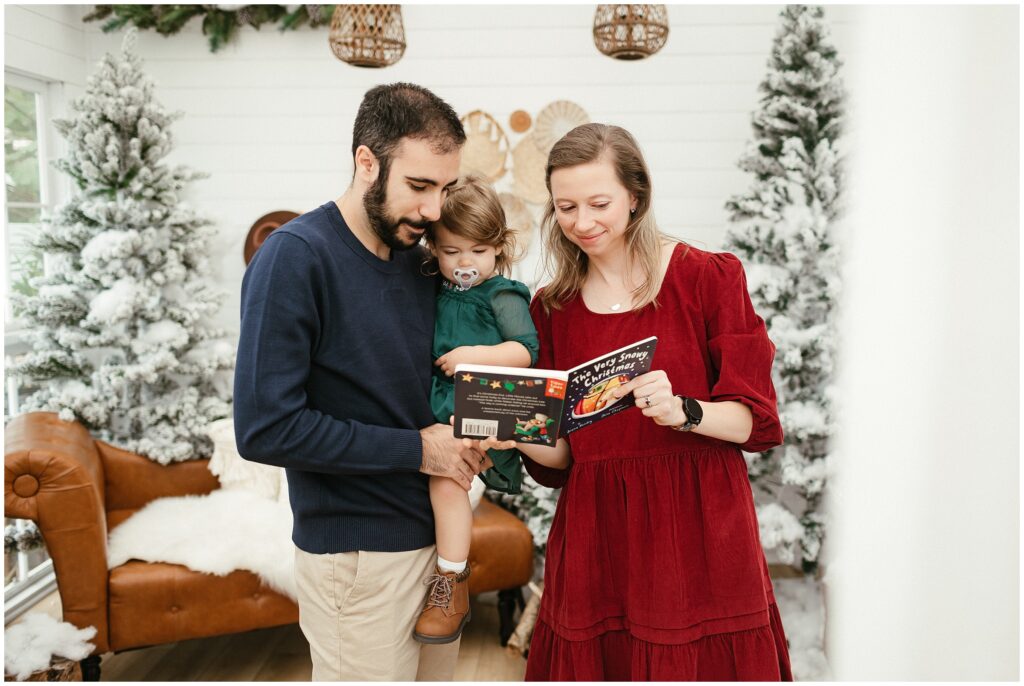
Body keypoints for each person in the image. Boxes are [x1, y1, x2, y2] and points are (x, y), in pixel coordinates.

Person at [233, 83, 504, 681]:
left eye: (445, 188)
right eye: (419, 186)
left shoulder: (420, 260)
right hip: (355, 560)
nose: (434, 211)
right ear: (366, 163)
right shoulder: (294, 258)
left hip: (439, 556)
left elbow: (423, 388)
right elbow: (264, 429)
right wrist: (418, 450)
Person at [515, 123, 794, 681]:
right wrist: (517, 428)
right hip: (599, 534)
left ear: (635, 196)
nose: (582, 223)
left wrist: (684, 411)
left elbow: (755, 422)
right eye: (565, 207)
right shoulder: (553, 307)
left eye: (599, 203)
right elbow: (565, 457)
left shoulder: (707, 278)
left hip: (700, 524)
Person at [412, 175, 540, 644]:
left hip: (481, 401)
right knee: (431, 478)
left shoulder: (501, 294)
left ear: (499, 247)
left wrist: (474, 356)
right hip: (435, 403)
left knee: (448, 482)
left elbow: (526, 350)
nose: (465, 263)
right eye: (451, 252)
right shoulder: (432, 288)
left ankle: (452, 579)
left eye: (478, 251)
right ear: (434, 248)